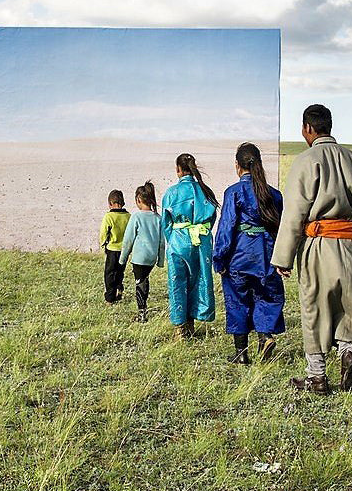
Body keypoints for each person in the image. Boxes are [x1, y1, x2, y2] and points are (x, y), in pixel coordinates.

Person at [272, 104, 352, 395]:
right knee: (349, 306)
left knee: (315, 309)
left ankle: (317, 377)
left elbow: (294, 212)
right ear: (329, 127)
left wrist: (283, 256)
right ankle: (348, 354)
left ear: (307, 129)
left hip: (319, 247)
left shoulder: (306, 161)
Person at [213, 142, 285, 365]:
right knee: (266, 297)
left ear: (237, 165)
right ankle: (264, 337)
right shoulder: (274, 194)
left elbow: (226, 227)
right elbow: (281, 228)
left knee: (237, 300)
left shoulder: (233, 192)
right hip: (266, 254)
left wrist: (219, 259)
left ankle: (241, 353)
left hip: (239, 256)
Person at [161, 153, 219, 338]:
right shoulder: (205, 190)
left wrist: (175, 238)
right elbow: (212, 218)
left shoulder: (171, 193)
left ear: (178, 170)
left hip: (178, 242)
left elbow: (166, 223)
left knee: (178, 282)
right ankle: (192, 323)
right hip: (201, 242)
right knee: (198, 280)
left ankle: (181, 327)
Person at [118, 182, 165, 322]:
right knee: (145, 280)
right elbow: (162, 242)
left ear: (138, 199)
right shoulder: (158, 218)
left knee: (139, 282)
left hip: (139, 257)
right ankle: (144, 307)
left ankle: (142, 313)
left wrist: (122, 259)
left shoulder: (136, 217)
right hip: (151, 258)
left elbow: (128, 240)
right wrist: (160, 260)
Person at [99, 189, 130, 303]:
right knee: (120, 271)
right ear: (123, 203)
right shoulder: (128, 216)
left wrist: (103, 243)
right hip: (124, 249)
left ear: (110, 204)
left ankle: (110, 297)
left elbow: (103, 232)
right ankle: (119, 288)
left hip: (112, 249)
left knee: (109, 273)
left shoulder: (109, 217)